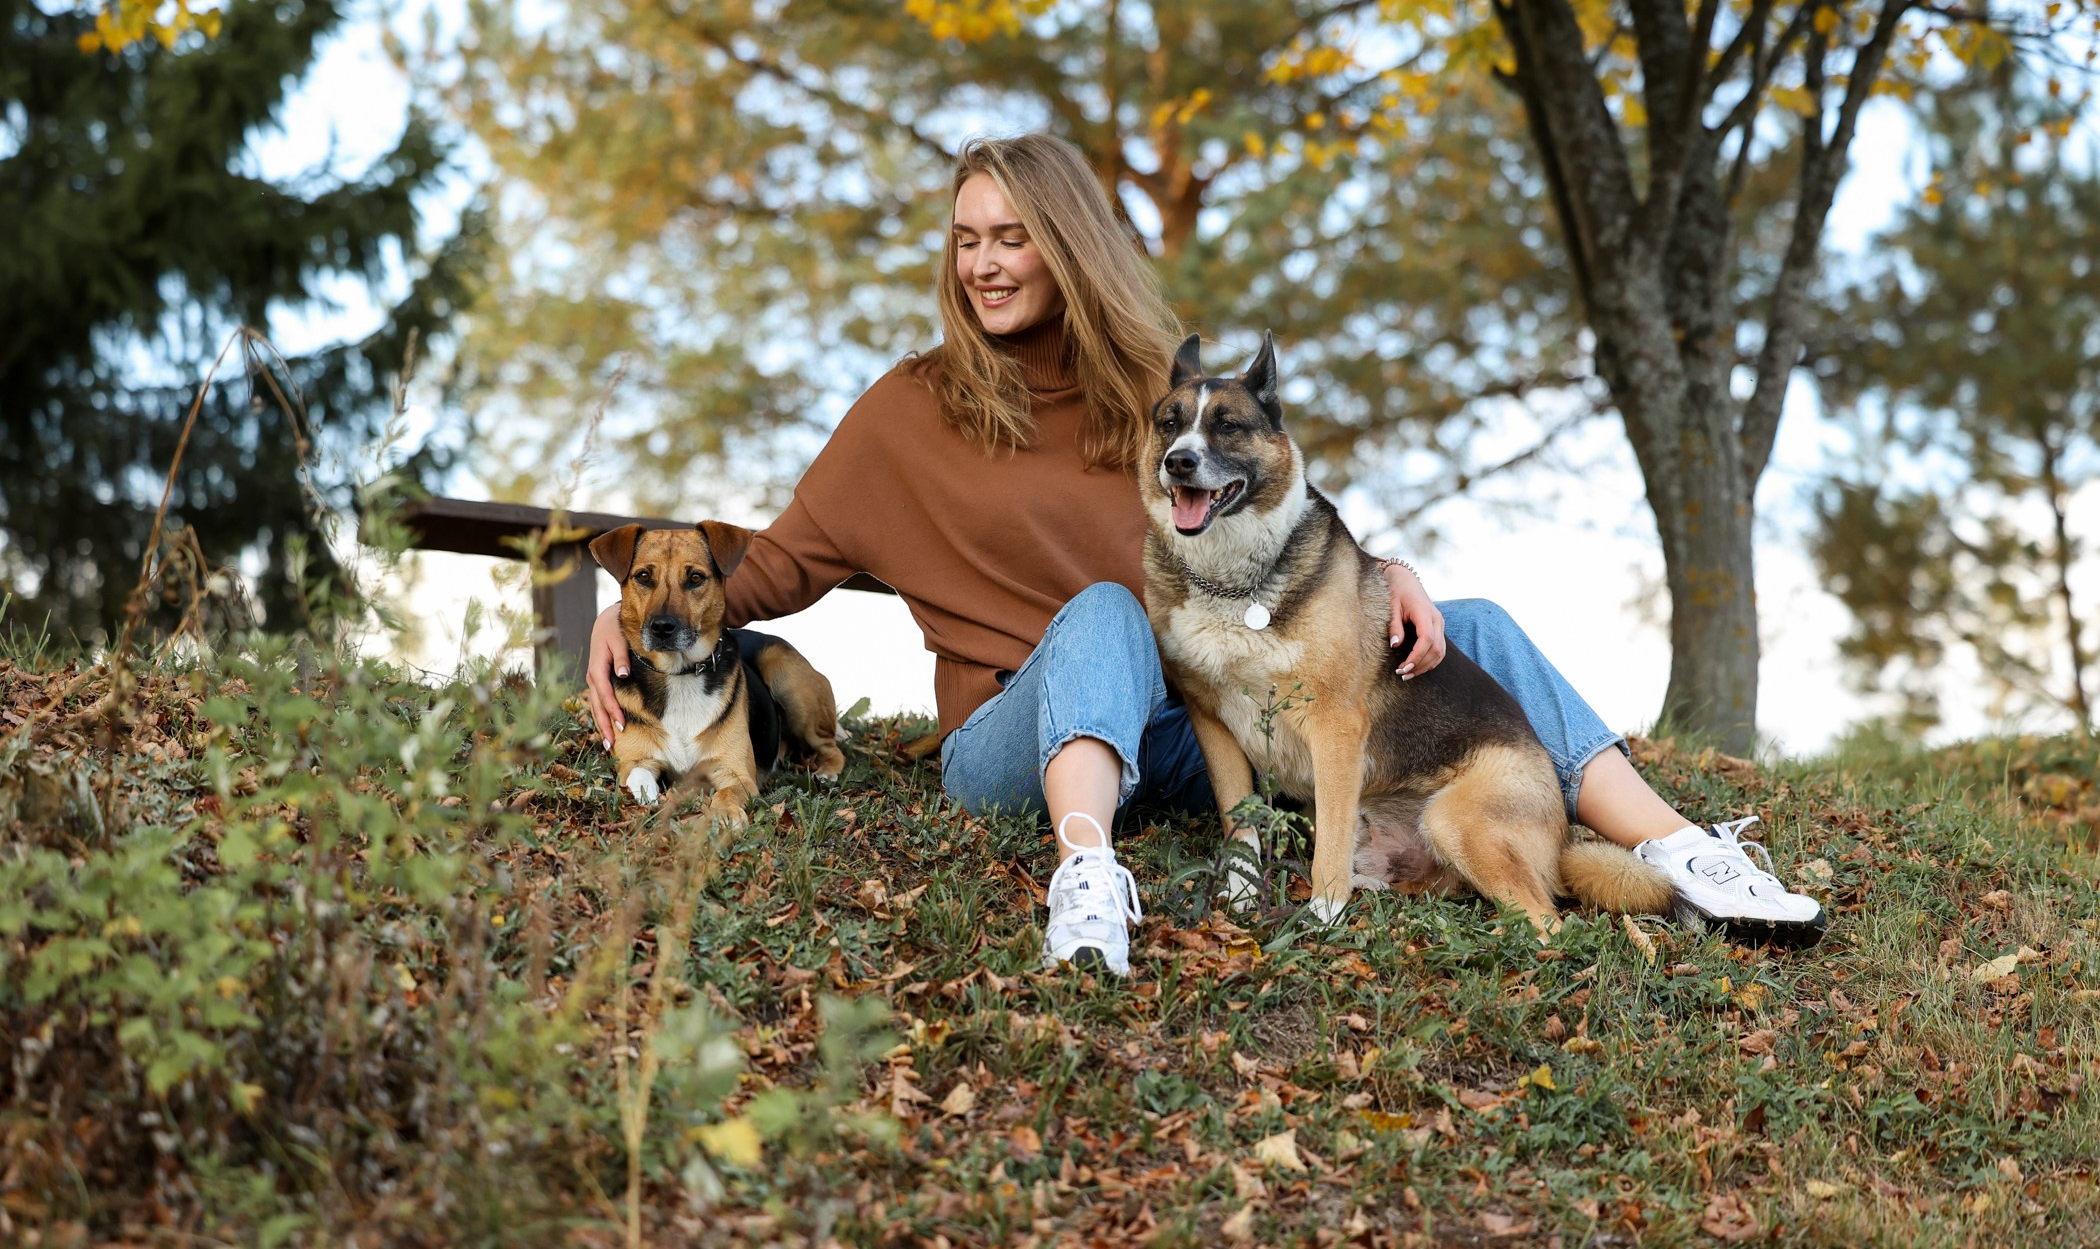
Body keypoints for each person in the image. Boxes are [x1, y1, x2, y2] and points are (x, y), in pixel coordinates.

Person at [586, 133, 1824, 976]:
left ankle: (1678, 847)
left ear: (1064, 241)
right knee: (1108, 615)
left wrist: (1380, 570)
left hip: (1181, 732)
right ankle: (1088, 877)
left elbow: (1269, 496)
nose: (984, 263)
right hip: (1015, 741)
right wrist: (621, 618)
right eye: (966, 238)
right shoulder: (904, 412)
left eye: (1012, 235)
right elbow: (760, 571)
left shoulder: (1153, 390)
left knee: (1472, 624)